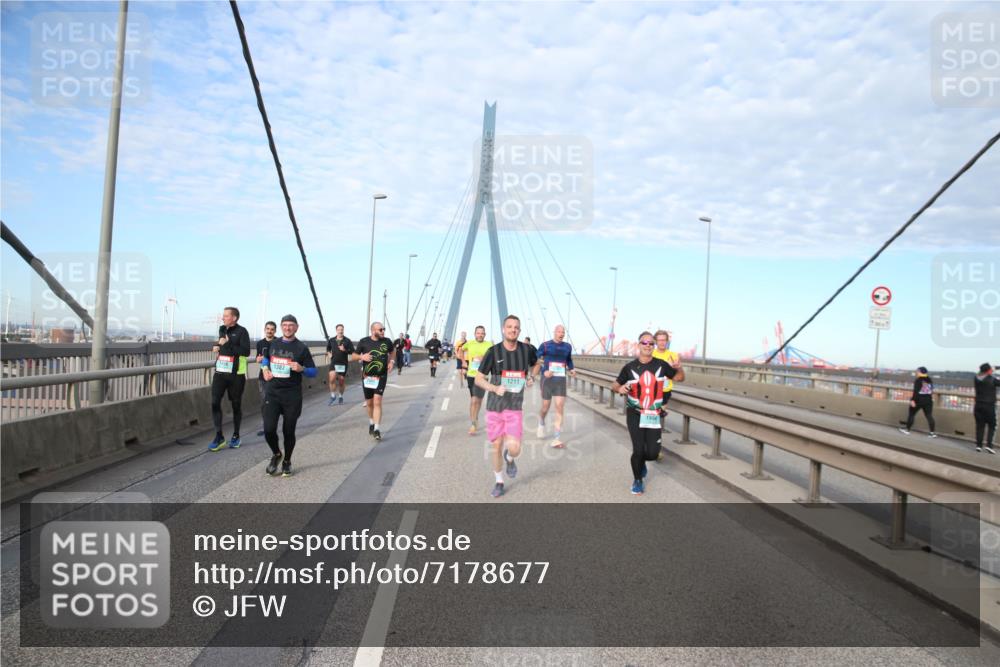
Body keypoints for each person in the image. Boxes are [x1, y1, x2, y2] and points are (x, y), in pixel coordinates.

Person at [611, 331, 684, 495]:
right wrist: (620, 388)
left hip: (652, 414)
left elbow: (679, 378)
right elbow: (614, 385)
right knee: (638, 450)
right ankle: (637, 480)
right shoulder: (629, 367)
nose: (648, 346)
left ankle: (642, 462)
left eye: (651, 343)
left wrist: (679, 368)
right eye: (645, 343)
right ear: (639, 345)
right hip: (635, 413)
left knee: (652, 453)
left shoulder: (661, 365)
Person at [474, 315, 538, 498]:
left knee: (515, 448)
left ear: (519, 330)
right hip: (495, 406)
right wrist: (494, 388)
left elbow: (536, 364)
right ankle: (499, 481)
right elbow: (479, 379)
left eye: (516, 327)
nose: (513, 330)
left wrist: (532, 376)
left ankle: (509, 458)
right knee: (496, 445)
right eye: (509, 327)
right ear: (503, 329)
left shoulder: (526, 350)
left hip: (514, 406)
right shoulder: (493, 352)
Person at [259, 314, 316, 476]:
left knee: (288, 431)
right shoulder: (274, 343)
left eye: (291, 325)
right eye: (284, 325)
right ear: (281, 327)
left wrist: (301, 368)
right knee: (269, 429)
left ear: (296, 327)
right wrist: (265, 369)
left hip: (292, 395)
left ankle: (287, 461)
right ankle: (277, 454)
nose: (288, 328)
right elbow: (265, 359)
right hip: (272, 393)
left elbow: (313, 372)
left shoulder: (302, 348)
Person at [209, 307, 251, 451]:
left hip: (236, 375)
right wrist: (216, 346)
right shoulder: (222, 329)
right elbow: (221, 342)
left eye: (226, 316)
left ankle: (236, 435)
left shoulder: (242, 331)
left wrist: (228, 343)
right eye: (223, 315)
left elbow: (245, 351)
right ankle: (219, 436)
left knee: (236, 405)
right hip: (220, 372)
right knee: (214, 402)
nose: (223, 318)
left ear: (234, 318)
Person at [352, 322, 395, 441]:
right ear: (373, 330)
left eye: (383, 329)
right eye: (380, 329)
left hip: (381, 376)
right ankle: (371, 422)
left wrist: (391, 362)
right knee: (369, 403)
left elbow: (393, 351)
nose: (383, 331)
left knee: (377, 401)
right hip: (367, 377)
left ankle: (376, 429)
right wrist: (362, 357)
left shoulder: (387, 341)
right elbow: (353, 356)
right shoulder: (364, 341)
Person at [535, 324, 576, 448]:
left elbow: (568, 360)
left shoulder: (567, 346)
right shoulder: (545, 345)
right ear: (554, 332)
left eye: (563, 332)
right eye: (559, 331)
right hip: (547, 379)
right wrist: (543, 371)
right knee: (545, 407)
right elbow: (535, 359)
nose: (561, 334)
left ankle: (557, 438)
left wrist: (572, 368)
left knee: (559, 406)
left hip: (560, 379)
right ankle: (541, 422)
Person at [652, 329, 681, 459]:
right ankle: (650, 446)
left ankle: (656, 450)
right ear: (655, 341)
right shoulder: (651, 354)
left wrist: (677, 367)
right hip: (651, 391)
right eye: (659, 340)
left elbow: (678, 375)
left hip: (665, 392)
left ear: (667, 341)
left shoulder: (673, 355)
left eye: (664, 340)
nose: (662, 343)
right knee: (651, 421)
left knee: (656, 421)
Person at [462, 325, 493, 436]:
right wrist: (463, 362)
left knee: (478, 401)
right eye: (478, 333)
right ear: (475, 334)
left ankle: (475, 419)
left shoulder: (489, 345)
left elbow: (494, 358)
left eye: (482, 333)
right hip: (471, 375)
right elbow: (460, 350)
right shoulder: (469, 343)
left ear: (485, 334)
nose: (480, 335)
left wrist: (484, 358)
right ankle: (473, 423)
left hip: (483, 376)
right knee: (473, 400)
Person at [898, 366, 936, 437]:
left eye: (917, 371)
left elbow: (916, 392)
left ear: (920, 372)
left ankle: (907, 430)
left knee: (911, 414)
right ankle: (932, 433)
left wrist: (913, 400)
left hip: (918, 400)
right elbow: (931, 390)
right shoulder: (929, 380)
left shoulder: (918, 380)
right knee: (929, 416)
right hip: (928, 400)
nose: (916, 373)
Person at [255, 320, 277, 437]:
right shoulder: (260, 343)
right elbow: (258, 358)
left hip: (276, 376)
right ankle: (266, 427)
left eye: (272, 329)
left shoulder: (279, 342)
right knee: (264, 402)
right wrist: (258, 360)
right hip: (263, 376)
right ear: (265, 330)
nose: (269, 331)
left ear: (275, 331)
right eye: (268, 329)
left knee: (274, 403)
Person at [974, 363, 1000, 454]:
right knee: (992, 425)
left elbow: (983, 372)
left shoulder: (976, 378)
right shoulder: (993, 379)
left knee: (980, 426)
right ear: (989, 370)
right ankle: (989, 445)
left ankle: (979, 446)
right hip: (989, 406)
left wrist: (992, 369)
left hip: (978, 405)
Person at [326, 323, 354, 405]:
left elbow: (352, 351)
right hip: (334, 362)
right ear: (336, 330)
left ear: (343, 330)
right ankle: (333, 395)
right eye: (339, 330)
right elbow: (328, 348)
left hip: (343, 363)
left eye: (341, 330)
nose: (340, 331)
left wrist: (345, 350)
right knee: (331, 379)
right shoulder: (332, 340)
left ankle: (340, 396)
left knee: (341, 381)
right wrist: (329, 353)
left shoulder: (347, 340)